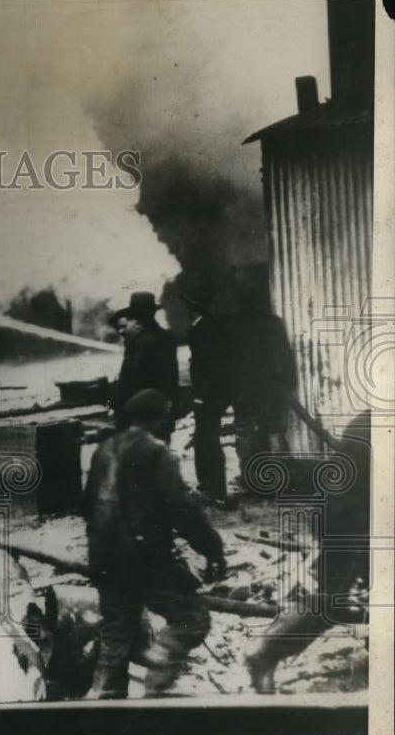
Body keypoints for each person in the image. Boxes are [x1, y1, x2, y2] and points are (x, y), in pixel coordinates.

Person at [82, 388, 227, 698]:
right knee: (192, 618)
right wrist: (213, 550)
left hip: (105, 559)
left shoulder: (103, 450)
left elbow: (87, 507)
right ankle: (157, 676)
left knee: (116, 637)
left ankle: (103, 709)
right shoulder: (157, 452)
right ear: (159, 421)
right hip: (145, 559)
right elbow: (183, 509)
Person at [246, 411, 371, 693]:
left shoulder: (369, 419)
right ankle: (267, 651)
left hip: (345, 514)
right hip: (354, 521)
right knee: (329, 598)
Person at [227, 279, 297, 489]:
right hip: (271, 389)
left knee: (245, 432)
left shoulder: (230, 324)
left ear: (238, 299)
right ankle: (282, 482)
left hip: (243, 390)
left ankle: (250, 482)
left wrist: (231, 389)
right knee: (275, 431)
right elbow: (285, 357)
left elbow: (226, 361)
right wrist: (288, 383)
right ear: (259, 300)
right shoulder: (273, 323)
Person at [182, 286, 232, 501]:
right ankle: (211, 485)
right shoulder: (208, 326)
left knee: (206, 439)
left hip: (209, 395)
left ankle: (213, 486)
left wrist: (202, 394)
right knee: (205, 438)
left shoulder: (203, 329)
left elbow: (212, 366)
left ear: (193, 307)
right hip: (212, 393)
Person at [108, 292, 179, 442]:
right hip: (158, 409)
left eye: (134, 318)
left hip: (141, 411)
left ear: (138, 320)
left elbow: (132, 378)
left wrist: (117, 406)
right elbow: (172, 378)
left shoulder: (142, 341)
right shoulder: (164, 337)